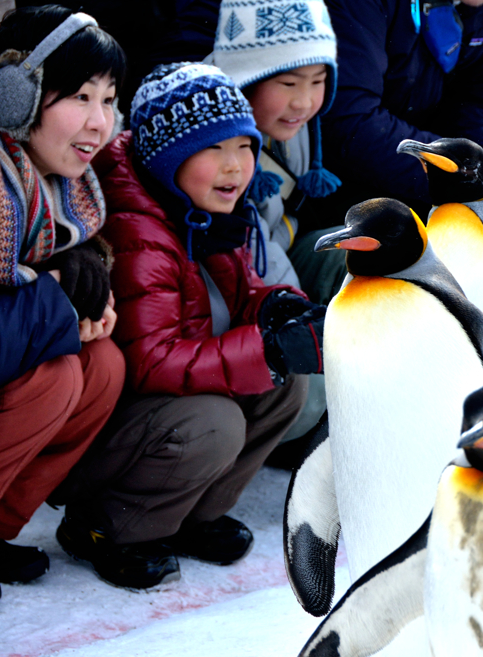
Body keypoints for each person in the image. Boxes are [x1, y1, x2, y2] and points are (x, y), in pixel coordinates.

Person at [55, 63, 322, 590]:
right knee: (214, 421)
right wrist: (262, 350)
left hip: (160, 412)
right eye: (213, 149)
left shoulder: (202, 211)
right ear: (167, 157)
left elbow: (242, 293)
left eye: (245, 147)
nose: (236, 167)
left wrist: (279, 310)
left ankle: (190, 516)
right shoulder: (138, 231)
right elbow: (149, 361)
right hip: (108, 436)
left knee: (285, 383)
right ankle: (107, 528)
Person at [0, 5, 127, 602]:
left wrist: (84, 287)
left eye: (108, 100)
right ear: (13, 94)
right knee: (53, 378)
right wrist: (59, 304)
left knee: (102, 369)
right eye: (79, 96)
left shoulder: (58, 189)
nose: (99, 123)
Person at [321, 0, 483, 272]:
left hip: (419, 183)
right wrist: (467, 179)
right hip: (333, 188)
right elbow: (349, 125)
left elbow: (477, 100)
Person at [207, 0, 337, 449]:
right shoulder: (213, 142)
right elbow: (247, 253)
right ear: (246, 78)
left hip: (279, 257)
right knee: (312, 389)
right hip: (232, 294)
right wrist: (297, 315)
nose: (304, 101)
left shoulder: (293, 125)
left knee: (353, 255)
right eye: (288, 82)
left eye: (318, 82)